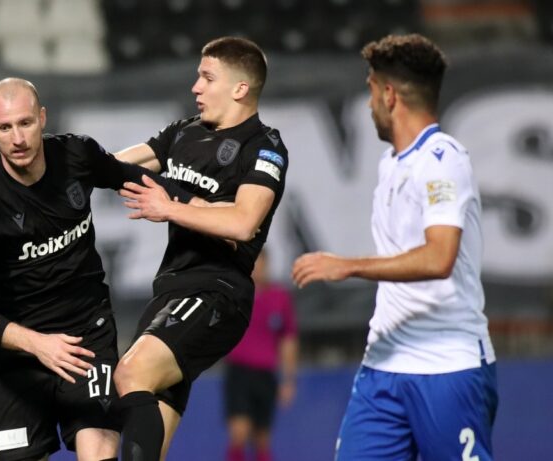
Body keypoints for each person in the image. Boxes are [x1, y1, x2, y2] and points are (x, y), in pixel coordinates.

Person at [0, 77, 194, 461]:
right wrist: (38, 344)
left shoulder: (77, 155)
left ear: (42, 118)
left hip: (86, 338)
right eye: (5, 127)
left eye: (25, 123)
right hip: (17, 359)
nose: (18, 138)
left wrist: (201, 208)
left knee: (98, 450)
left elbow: (133, 177)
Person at [292, 34, 498, 461]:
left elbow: (439, 257)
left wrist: (348, 266)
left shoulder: (443, 160)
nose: (369, 104)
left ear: (389, 95)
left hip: (447, 365)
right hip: (383, 364)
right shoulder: (391, 164)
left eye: (371, 90)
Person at [111, 36, 289, 461]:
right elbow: (115, 166)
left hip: (217, 292)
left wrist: (171, 205)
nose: (196, 87)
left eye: (207, 78)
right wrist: (60, 164)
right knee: (144, 437)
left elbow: (243, 223)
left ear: (240, 88)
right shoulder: (183, 132)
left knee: (131, 372)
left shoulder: (264, 146)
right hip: (169, 292)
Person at [223, 248, 298, 461]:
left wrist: (288, 379)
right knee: (239, 432)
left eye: (261, 263)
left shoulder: (279, 297)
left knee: (262, 438)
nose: (257, 269)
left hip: (266, 374)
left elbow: (288, 340)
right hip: (239, 372)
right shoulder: (235, 294)